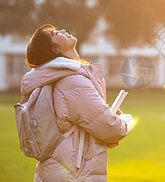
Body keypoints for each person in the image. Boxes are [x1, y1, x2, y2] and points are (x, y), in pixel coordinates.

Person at [20, 24, 135, 181]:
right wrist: (128, 120)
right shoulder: (72, 82)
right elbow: (111, 128)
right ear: (55, 50)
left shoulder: (58, 78)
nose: (62, 30)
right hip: (73, 175)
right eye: (55, 34)